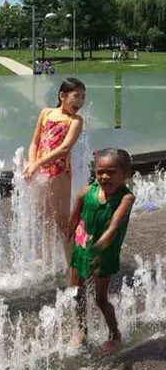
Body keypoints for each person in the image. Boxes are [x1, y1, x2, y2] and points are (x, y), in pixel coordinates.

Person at [68, 148, 135, 352]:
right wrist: (69, 245)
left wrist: (97, 249)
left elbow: (114, 227)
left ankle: (115, 333)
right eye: (100, 172)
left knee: (100, 298)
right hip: (81, 251)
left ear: (125, 174)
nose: (104, 176)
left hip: (103, 254)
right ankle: (82, 330)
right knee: (76, 294)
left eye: (111, 172)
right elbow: (72, 220)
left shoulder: (126, 199)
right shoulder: (86, 192)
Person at [23, 77, 86, 264]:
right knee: (44, 218)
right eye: (77, 96)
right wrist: (32, 163)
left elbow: (64, 149)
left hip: (59, 174)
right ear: (62, 95)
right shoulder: (46, 113)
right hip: (41, 172)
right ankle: (48, 258)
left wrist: (37, 163)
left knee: (62, 221)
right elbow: (35, 142)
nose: (80, 102)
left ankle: (72, 263)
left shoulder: (75, 121)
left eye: (83, 97)